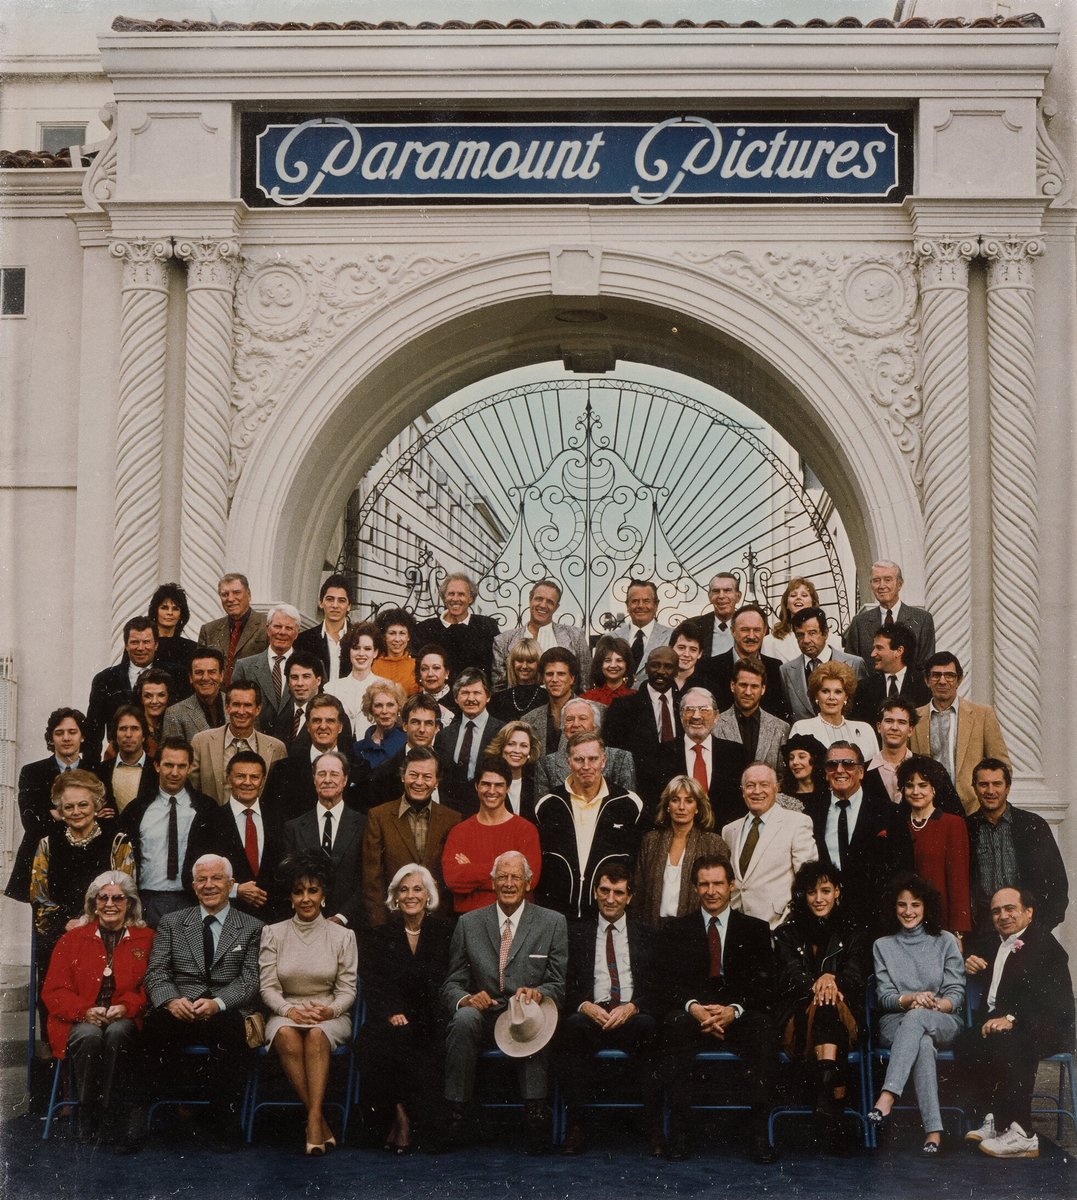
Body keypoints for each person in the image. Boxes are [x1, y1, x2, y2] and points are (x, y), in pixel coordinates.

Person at [440, 851, 568, 1154]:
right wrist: (467, 998)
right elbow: (451, 983)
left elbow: (558, 984)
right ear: (492, 882)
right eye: (503, 877)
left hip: (523, 1013)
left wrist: (539, 993)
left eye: (515, 877)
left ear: (528, 882)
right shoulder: (469, 923)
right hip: (484, 1014)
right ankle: (455, 1115)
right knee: (463, 1018)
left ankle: (535, 1113)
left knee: (535, 1018)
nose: (509, 883)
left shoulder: (552, 922)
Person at [658, 854, 779, 1163]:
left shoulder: (755, 928)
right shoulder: (678, 929)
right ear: (695, 888)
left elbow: (764, 985)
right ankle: (680, 1133)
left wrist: (733, 1010)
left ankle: (758, 1134)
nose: (711, 891)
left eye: (718, 884)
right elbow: (668, 982)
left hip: (736, 1014)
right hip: (694, 1014)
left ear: (731, 885)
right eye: (704, 884)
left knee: (764, 1027)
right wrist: (694, 1007)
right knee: (672, 1025)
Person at [142, 854, 263, 1150]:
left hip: (225, 1010)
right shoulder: (171, 923)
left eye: (217, 879)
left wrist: (218, 1003)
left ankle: (225, 1123)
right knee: (151, 1029)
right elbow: (156, 972)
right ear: (194, 886)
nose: (209, 885)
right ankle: (143, 1118)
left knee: (229, 1033)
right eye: (202, 879)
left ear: (231, 884)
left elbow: (250, 980)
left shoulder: (253, 927)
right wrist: (171, 1001)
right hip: (181, 1007)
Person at [41, 870, 155, 1152]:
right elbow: (54, 991)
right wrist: (85, 1010)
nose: (110, 904)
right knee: (89, 1035)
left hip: (125, 1017)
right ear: (93, 904)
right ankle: (87, 1112)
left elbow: (152, 985)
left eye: (118, 897)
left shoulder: (147, 937)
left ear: (130, 903)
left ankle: (108, 1115)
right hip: (80, 1018)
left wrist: (126, 1006)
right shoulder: (72, 939)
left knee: (117, 1032)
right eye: (102, 897)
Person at [957, 886, 1075, 1158]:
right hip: (1012, 1021)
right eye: (996, 911)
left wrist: (1011, 1018)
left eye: (1010, 909)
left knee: (1009, 1043)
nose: (1003, 916)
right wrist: (969, 960)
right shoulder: (995, 941)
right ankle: (996, 1123)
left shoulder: (1045, 945)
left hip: (1047, 1024)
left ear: (1029, 912)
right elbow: (978, 960)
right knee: (967, 1041)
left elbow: (1053, 1001)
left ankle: (1023, 1133)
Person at [556, 864, 663, 1155]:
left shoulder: (648, 935)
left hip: (632, 1015)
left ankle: (655, 1129)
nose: (611, 899)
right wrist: (584, 1005)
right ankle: (576, 1127)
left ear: (630, 897)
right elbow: (561, 984)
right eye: (604, 891)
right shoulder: (576, 934)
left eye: (618, 892)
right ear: (595, 892)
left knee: (651, 1029)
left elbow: (659, 989)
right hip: (592, 1014)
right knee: (572, 1027)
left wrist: (633, 1006)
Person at [259, 851, 358, 1155]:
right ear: (290, 897)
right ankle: (319, 1121)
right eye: (298, 891)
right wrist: (289, 1010)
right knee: (286, 1036)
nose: (305, 898)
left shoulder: (343, 936)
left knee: (317, 1036)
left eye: (312, 890)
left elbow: (347, 990)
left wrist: (329, 1010)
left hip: (329, 1012)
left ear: (324, 895)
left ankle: (313, 1120)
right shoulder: (273, 933)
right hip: (285, 1010)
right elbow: (268, 987)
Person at [867, 873, 965, 1154]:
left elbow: (955, 995)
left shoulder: (945, 941)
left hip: (942, 1018)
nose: (908, 912)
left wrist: (933, 1005)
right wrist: (911, 1000)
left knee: (919, 1020)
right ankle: (933, 1131)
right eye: (902, 905)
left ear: (926, 908)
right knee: (920, 1039)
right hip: (896, 1022)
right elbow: (885, 999)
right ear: (893, 907)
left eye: (916, 905)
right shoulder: (882, 946)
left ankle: (886, 1097)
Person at [775, 862, 867, 1149]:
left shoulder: (852, 930)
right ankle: (834, 1103)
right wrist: (819, 985)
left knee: (830, 1006)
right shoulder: (786, 932)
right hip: (799, 1018)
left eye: (826, 890)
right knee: (825, 1005)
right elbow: (791, 975)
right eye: (811, 891)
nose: (819, 898)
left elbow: (854, 974)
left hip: (843, 1013)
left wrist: (832, 978)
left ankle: (825, 1093)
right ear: (802, 894)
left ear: (837, 892)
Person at [362, 863, 453, 1154]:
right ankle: (400, 1115)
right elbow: (374, 983)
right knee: (379, 1039)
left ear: (429, 896)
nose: (410, 895)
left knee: (421, 1041)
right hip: (391, 1015)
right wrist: (390, 1010)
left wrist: (415, 1014)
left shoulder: (446, 932)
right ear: (395, 897)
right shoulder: (380, 935)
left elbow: (449, 980)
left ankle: (415, 1121)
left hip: (432, 1016)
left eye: (417, 889)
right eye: (404, 889)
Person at [534, 733, 644, 921]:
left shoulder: (629, 804)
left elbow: (636, 864)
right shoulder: (548, 804)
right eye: (579, 759)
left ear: (604, 760)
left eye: (593, 759)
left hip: (606, 915)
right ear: (568, 762)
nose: (586, 766)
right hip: (557, 915)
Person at [808, 741, 913, 936]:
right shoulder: (812, 813)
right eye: (832, 765)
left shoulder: (888, 813)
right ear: (825, 772)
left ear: (861, 772)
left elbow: (904, 868)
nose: (839, 770)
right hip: (827, 920)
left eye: (848, 764)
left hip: (875, 922)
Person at [31, 771, 137, 963]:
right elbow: (39, 897)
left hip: (107, 934)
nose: (76, 812)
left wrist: (89, 922)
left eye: (83, 805)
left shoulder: (118, 841)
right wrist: (66, 923)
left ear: (96, 805)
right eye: (68, 807)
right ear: (61, 811)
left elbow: (126, 894)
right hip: (60, 934)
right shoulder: (47, 844)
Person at [120, 737, 216, 928]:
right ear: (156, 766)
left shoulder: (206, 809)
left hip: (191, 899)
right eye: (168, 765)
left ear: (190, 768)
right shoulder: (137, 809)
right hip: (147, 900)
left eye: (181, 766)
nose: (174, 772)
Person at [362, 747, 461, 927]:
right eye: (413, 775)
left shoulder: (452, 819)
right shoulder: (379, 817)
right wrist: (380, 925)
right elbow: (372, 879)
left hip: (438, 922)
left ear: (437, 781)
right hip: (393, 922)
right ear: (402, 776)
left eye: (427, 777)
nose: (419, 782)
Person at [967, 758, 1068, 934]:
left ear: (1008, 787)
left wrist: (1038, 929)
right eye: (984, 784)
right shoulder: (966, 828)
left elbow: (1056, 883)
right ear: (974, 787)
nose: (990, 791)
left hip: (1027, 929)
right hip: (983, 932)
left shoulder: (1033, 825)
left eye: (997, 784)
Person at [187, 751, 288, 921]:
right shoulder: (209, 819)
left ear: (262, 780)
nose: (247, 783)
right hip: (227, 917)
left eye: (254, 777)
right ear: (228, 778)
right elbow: (191, 875)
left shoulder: (279, 818)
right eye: (241, 776)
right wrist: (236, 889)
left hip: (274, 919)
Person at [6, 707, 92, 903]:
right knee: (44, 928)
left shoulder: (96, 770)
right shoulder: (32, 772)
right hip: (45, 861)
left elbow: (103, 816)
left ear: (83, 736)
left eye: (72, 732)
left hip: (85, 862)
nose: (66, 738)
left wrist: (57, 814)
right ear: (51, 738)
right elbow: (31, 820)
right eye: (59, 733)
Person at [909, 652, 1011, 814]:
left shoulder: (982, 715)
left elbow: (1002, 766)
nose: (942, 681)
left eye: (949, 675)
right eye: (936, 675)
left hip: (972, 809)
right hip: (927, 809)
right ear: (926, 680)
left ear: (959, 680)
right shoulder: (914, 718)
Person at [722, 762, 817, 929]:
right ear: (743, 791)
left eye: (764, 785)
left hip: (778, 928)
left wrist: (789, 923)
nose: (757, 791)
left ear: (776, 788)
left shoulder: (797, 823)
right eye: (750, 785)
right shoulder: (730, 830)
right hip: (737, 927)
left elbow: (807, 880)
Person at [442, 759, 542, 913]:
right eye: (486, 784)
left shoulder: (526, 830)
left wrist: (471, 869)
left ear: (508, 787)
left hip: (513, 919)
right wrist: (508, 872)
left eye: (499, 785)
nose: (492, 791)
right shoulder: (459, 831)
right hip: (470, 921)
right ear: (476, 786)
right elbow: (452, 879)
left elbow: (529, 881)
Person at [282, 751, 366, 931]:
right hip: (304, 925)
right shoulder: (294, 827)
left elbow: (367, 880)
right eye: (322, 774)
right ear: (314, 779)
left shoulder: (364, 824)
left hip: (350, 925)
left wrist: (342, 917)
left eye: (334, 774)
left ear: (345, 780)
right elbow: (290, 880)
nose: (327, 779)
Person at [633, 775, 731, 927]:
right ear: (667, 805)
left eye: (689, 801)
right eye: (675, 800)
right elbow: (639, 892)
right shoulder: (651, 841)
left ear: (698, 807)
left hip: (695, 930)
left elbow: (723, 894)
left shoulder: (714, 843)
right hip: (653, 928)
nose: (681, 807)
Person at [897, 756, 971, 938]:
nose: (916, 791)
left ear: (934, 789)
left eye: (923, 785)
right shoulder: (897, 824)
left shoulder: (952, 823)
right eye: (909, 785)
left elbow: (959, 881)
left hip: (940, 921)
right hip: (902, 920)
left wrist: (958, 930)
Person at [655, 687, 746, 828]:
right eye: (689, 709)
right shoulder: (660, 753)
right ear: (680, 716)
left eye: (704, 710)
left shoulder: (736, 754)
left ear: (716, 716)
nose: (696, 716)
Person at [604, 645, 683, 806]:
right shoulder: (622, 707)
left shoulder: (685, 704)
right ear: (646, 668)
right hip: (638, 791)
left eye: (668, 666)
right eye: (655, 665)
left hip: (678, 792)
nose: (661, 671)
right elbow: (612, 755)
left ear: (676, 671)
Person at [190, 680, 287, 803]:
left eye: (247, 705)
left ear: (258, 709)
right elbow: (192, 790)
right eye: (236, 704)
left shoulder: (276, 748)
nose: (241, 711)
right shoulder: (201, 742)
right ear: (227, 707)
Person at [491, 578, 591, 690]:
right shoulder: (504, 641)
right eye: (539, 599)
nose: (543, 605)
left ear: (556, 607)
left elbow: (585, 684)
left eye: (550, 602)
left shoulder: (575, 636)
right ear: (530, 600)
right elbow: (498, 688)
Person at [85, 616, 163, 756]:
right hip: (116, 756)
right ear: (126, 645)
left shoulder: (174, 675)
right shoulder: (105, 679)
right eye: (134, 642)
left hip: (160, 759)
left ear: (156, 644)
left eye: (146, 642)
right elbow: (93, 733)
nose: (140, 648)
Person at [535, 698, 637, 803]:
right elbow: (544, 809)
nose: (576, 724)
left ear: (595, 725)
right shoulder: (546, 764)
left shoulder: (620, 759)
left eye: (583, 718)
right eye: (569, 719)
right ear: (563, 726)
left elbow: (627, 805)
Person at [779, 605, 868, 722]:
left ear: (825, 633)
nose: (806, 640)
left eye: (812, 633)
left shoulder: (854, 664)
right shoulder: (786, 671)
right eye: (800, 635)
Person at [704, 604, 790, 723]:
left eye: (757, 630)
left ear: (765, 631)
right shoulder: (710, 667)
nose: (751, 636)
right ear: (733, 631)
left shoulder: (775, 667)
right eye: (745, 630)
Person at [842, 560, 936, 668]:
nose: (882, 586)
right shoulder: (859, 623)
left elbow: (926, 665)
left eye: (887, 580)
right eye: (876, 580)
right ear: (871, 585)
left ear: (899, 584)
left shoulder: (922, 619)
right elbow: (851, 667)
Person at [436, 668, 505, 814]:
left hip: (488, 809)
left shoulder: (502, 732)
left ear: (488, 696)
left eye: (477, 693)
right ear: (456, 698)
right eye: (465, 693)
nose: (471, 698)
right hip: (451, 811)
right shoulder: (445, 735)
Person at [413, 572, 500, 679]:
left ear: (471, 598)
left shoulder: (487, 627)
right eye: (451, 594)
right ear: (444, 597)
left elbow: (497, 668)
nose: (455, 599)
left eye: (461, 594)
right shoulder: (425, 629)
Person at [232, 603, 302, 731]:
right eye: (277, 626)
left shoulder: (311, 667)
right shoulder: (244, 666)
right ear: (268, 629)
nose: (282, 632)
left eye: (289, 628)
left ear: (297, 633)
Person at [790, 660, 879, 761]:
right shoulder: (802, 728)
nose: (831, 697)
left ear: (846, 696)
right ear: (816, 695)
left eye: (838, 692)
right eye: (825, 691)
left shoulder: (865, 730)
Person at [714, 660, 790, 771]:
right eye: (743, 685)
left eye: (754, 686)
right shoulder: (715, 724)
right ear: (732, 686)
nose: (748, 692)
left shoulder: (780, 727)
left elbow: (782, 775)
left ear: (763, 689)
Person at [196, 572, 269, 686]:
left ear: (249, 594)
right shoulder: (209, 630)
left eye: (236, 593)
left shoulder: (267, 625)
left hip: (253, 697)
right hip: (217, 699)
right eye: (225, 594)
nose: (230, 599)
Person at [323, 623, 390, 731]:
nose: (361, 653)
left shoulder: (386, 686)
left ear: (375, 652)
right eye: (356, 648)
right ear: (348, 651)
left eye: (367, 649)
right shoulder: (331, 688)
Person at [857, 622, 931, 719]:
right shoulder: (864, 688)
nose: (873, 654)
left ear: (899, 651)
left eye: (879, 648)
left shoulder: (924, 685)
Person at [521, 646, 583, 756]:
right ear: (543, 678)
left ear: (572, 678)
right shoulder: (528, 720)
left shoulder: (595, 712)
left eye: (561, 674)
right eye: (549, 674)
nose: (554, 679)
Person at [611, 579, 673, 686]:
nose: (640, 606)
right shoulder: (612, 638)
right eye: (635, 601)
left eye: (646, 601)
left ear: (656, 605)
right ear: (627, 605)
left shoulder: (671, 636)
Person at [294, 573, 353, 681]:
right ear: (321, 602)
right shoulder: (303, 640)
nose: (335, 605)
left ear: (349, 606)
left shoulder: (358, 638)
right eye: (330, 599)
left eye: (341, 600)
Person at [95, 705, 152, 815]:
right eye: (123, 729)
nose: (128, 734)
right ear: (115, 735)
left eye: (135, 728)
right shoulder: (101, 771)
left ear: (144, 735)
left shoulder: (157, 769)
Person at [161, 647, 226, 742]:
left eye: (212, 672)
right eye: (199, 672)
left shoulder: (238, 706)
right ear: (190, 677)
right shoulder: (175, 713)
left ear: (221, 676)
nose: (205, 678)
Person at [863, 697, 918, 804]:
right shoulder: (862, 773)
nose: (894, 727)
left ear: (910, 730)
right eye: (889, 721)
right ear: (879, 727)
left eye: (901, 722)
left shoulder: (927, 768)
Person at [677, 571, 741, 662]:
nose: (721, 596)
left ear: (738, 596)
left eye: (727, 590)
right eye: (716, 591)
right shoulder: (694, 625)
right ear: (709, 596)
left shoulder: (751, 627)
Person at [484, 719, 540, 821]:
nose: (517, 751)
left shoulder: (535, 786)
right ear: (501, 748)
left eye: (523, 746)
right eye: (511, 744)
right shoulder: (486, 783)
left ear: (530, 752)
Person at [272, 651, 328, 746]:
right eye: (294, 677)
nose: (299, 683)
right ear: (288, 682)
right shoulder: (282, 716)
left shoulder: (333, 713)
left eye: (306, 677)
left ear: (318, 680)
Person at [147, 581, 198, 689]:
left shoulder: (191, 648)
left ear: (181, 615)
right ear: (156, 611)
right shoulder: (144, 645)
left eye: (175, 609)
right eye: (164, 608)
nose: (170, 613)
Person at [488, 636, 547, 722]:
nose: (524, 666)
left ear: (538, 664)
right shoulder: (498, 699)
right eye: (519, 660)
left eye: (530, 661)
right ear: (512, 663)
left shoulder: (547, 698)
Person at [354, 680, 408, 772]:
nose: (384, 711)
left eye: (390, 705)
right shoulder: (358, 748)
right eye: (378, 705)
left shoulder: (407, 741)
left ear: (398, 707)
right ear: (370, 709)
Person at [763, 576, 820, 664]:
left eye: (804, 595)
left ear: (813, 603)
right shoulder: (769, 642)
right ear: (786, 604)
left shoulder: (832, 640)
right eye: (793, 595)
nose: (798, 598)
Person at [373, 607, 420, 697]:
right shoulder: (373, 664)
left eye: (402, 633)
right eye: (392, 633)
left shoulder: (416, 665)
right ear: (384, 636)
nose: (397, 639)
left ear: (408, 637)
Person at [777, 733, 829, 813]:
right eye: (791, 758)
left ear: (815, 760)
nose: (794, 762)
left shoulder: (829, 795)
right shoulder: (781, 798)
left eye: (801, 757)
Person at [582, 634, 636, 705]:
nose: (613, 665)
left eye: (619, 660)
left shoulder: (636, 697)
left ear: (627, 664)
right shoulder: (587, 699)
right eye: (607, 660)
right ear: (600, 664)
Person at [132, 668, 173, 758]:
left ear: (168, 697)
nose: (154, 701)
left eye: (161, 695)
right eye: (148, 696)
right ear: (141, 698)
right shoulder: (131, 728)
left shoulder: (175, 726)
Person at [415, 643, 457, 724]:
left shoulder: (459, 701)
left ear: (447, 673)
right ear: (419, 674)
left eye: (436, 668)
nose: (430, 674)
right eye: (424, 669)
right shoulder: (413, 702)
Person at [670, 624, 706, 692]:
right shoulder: (655, 683)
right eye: (681, 648)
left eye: (693, 649)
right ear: (670, 648)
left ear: (700, 654)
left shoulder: (708, 687)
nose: (686, 654)